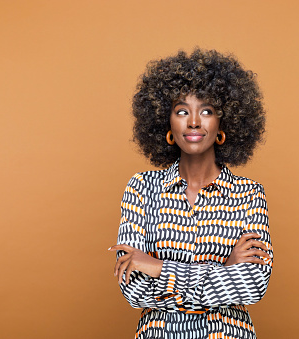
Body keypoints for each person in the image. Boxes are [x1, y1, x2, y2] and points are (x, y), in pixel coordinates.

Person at [109, 48, 273, 339]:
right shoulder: (141, 188)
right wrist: (223, 270)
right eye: (182, 111)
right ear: (167, 123)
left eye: (207, 111)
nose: (194, 122)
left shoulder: (249, 194)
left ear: (223, 123)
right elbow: (133, 290)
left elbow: (253, 284)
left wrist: (158, 267)